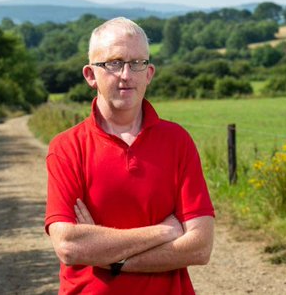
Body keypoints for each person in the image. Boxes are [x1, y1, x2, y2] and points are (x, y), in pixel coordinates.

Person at [45, 18, 214, 292]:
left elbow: (200, 247)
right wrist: (165, 231)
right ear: (90, 75)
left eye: (137, 63)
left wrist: (110, 258)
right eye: (114, 63)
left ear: (149, 73)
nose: (127, 74)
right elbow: (69, 246)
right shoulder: (67, 147)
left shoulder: (177, 141)